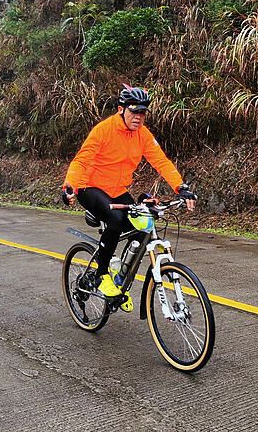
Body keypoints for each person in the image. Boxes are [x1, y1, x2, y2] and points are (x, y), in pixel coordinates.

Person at [62, 84, 196, 311]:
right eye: (134, 111)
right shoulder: (104, 130)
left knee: (143, 225)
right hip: (89, 187)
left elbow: (161, 161)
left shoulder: (143, 134)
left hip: (117, 191)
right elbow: (82, 160)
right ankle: (101, 275)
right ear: (121, 109)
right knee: (115, 219)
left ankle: (120, 275)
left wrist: (180, 186)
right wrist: (70, 186)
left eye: (143, 112)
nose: (138, 117)